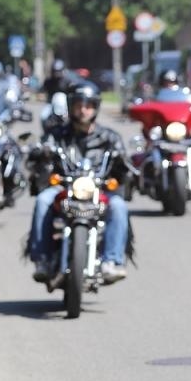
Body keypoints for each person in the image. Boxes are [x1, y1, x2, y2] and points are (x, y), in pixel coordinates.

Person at [27, 79, 132, 284]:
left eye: (88, 106)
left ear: (96, 107)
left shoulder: (109, 137)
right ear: (70, 106)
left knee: (119, 206)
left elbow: (124, 167)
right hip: (64, 188)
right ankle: (42, 259)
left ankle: (112, 261)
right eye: (78, 105)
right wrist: (41, 151)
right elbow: (39, 151)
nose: (83, 110)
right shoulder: (58, 135)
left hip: (97, 190)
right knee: (42, 200)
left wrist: (123, 162)